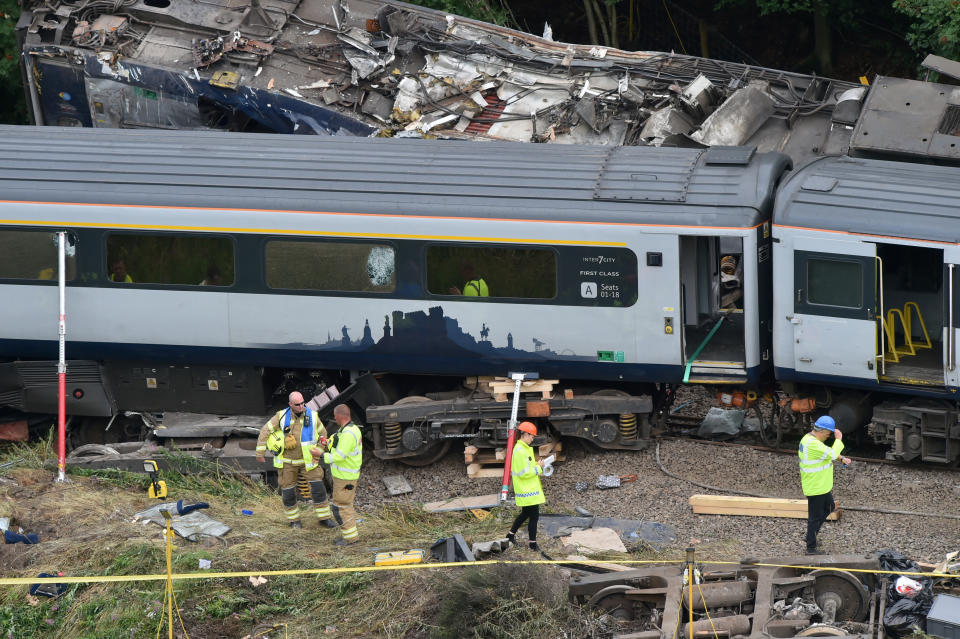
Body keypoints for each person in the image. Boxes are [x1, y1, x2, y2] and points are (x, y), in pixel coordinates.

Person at [256, 391, 337, 529]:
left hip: (309, 461)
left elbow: (323, 434)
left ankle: (324, 518)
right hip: (287, 462)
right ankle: (294, 521)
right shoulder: (281, 416)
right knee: (288, 493)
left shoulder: (312, 415)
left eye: (303, 403)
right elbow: (265, 431)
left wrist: (319, 450)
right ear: (290, 404)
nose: (301, 406)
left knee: (318, 490)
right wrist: (260, 452)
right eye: (297, 404)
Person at [798, 415, 851, 554]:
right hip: (816, 487)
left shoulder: (809, 439)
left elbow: (826, 454)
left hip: (820, 485)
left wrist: (841, 459)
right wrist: (839, 439)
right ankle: (811, 547)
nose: (828, 437)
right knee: (814, 517)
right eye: (828, 434)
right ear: (821, 431)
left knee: (830, 507)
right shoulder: (813, 444)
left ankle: (811, 534)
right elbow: (831, 453)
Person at [323, 404, 363, 545]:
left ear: (340, 416)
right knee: (343, 506)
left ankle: (351, 539)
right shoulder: (351, 429)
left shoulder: (347, 434)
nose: (334, 418)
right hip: (345, 477)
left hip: (345, 479)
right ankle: (350, 536)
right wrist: (327, 443)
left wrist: (321, 455)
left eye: (335, 415)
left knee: (342, 507)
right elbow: (339, 445)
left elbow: (340, 456)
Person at [505, 421, 547, 553]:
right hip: (527, 490)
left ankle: (510, 536)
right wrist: (538, 467)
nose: (533, 439)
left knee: (526, 514)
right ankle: (532, 544)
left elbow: (527, 468)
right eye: (532, 436)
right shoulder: (520, 451)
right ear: (525, 434)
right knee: (534, 516)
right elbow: (525, 473)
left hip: (528, 489)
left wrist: (537, 465)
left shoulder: (523, 449)